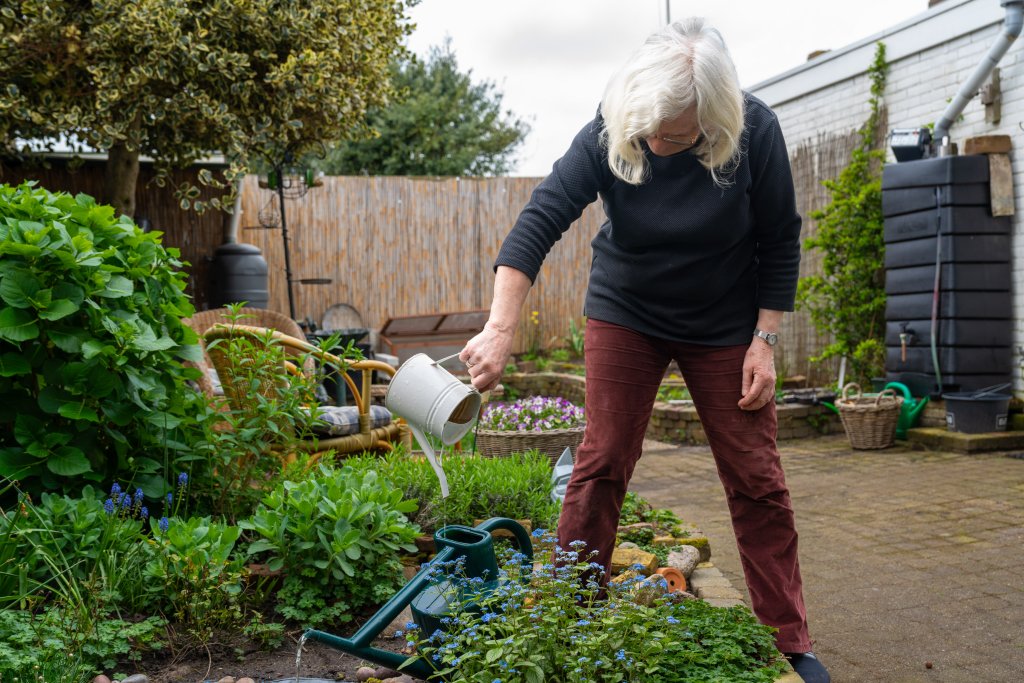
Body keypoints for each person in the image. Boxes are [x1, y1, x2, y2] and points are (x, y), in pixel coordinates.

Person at [458, 17, 830, 683]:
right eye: (649, 130)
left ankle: (788, 640)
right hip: (627, 309)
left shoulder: (755, 132)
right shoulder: (614, 124)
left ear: (713, 115)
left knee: (756, 476)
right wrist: (500, 327)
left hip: (724, 319)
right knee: (601, 461)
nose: (656, 142)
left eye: (674, 134)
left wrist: (765, 340)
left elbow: (779, 239)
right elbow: (539, 219)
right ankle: (569, 621)